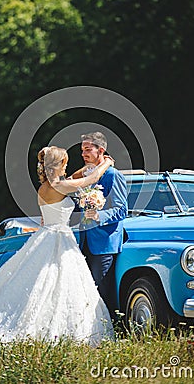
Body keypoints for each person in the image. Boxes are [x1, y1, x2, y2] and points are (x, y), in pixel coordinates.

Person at [0, 146, 114, 345]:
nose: (67, 167)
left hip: (47, 235)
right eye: (65, 163)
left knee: (48, 282)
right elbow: (89, 181)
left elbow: (75, 177)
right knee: (56, 282)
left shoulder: (48, 186)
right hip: (58, 237)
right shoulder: (58, 186)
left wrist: (89, 166)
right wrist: (106, 163)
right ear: (59, 165)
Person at [72, 132, 128, 319]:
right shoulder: (89, 174)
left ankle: (110, 330)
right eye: (82, 150)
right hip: (85, 240)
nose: (83, 153)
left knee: (103, 290)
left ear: (101, 150)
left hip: (104, 243)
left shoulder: (113, 175)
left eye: (88, 149)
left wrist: (99, 215)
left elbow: (122, 210)